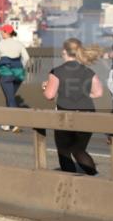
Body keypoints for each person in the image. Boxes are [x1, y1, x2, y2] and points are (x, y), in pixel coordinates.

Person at [43, 38, 104, 175]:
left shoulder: (57, 71)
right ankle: (94, 175)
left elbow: (49, 95)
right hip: (88, 112)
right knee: (79, 149)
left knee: (64, 150)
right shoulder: (88, 71)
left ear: (64, 51)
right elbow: (98, 93)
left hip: (65, 114)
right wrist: (83, 96)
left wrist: (45, 87)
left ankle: (70, 180)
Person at [0, 23, 30, 132]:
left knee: (10, 98)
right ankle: (7, 124)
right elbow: (26, 58)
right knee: (10, 96)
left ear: (6, 33)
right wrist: (18, 64)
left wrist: (4, 60)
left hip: (6, 74)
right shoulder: (19, 44)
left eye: (2, 31)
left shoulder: (0, 44)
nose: (0, 33)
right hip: (18, 74)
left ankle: (16, 123)